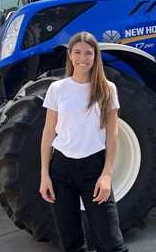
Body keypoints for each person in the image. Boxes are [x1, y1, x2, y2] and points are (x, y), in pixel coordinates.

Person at [39, 31, 128, 252]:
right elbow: (48, 132)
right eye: (77, 52)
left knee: (110, 241)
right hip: (60, 169)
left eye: (88, 53)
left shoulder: (107, 89)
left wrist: (106, 174)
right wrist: (44, 175)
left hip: (94, 168)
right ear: (69, 55)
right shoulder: (57, 89)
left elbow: (112, 134)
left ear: (95, 56)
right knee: (70, 243)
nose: (83, 58)